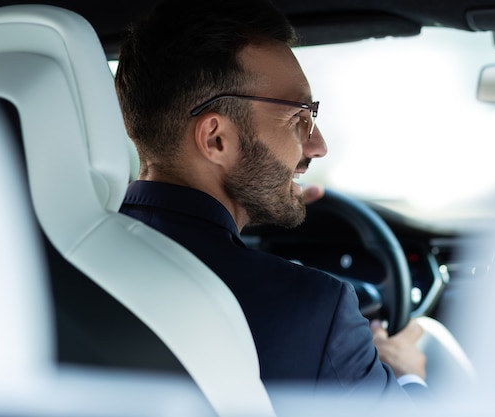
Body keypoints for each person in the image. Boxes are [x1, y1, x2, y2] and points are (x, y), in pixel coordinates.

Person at [114, 0, 427, 404]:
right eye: (299, 117)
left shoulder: (55, 268)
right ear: (216, 139)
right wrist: (409, 377)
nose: (318, 145)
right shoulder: (315, 311)